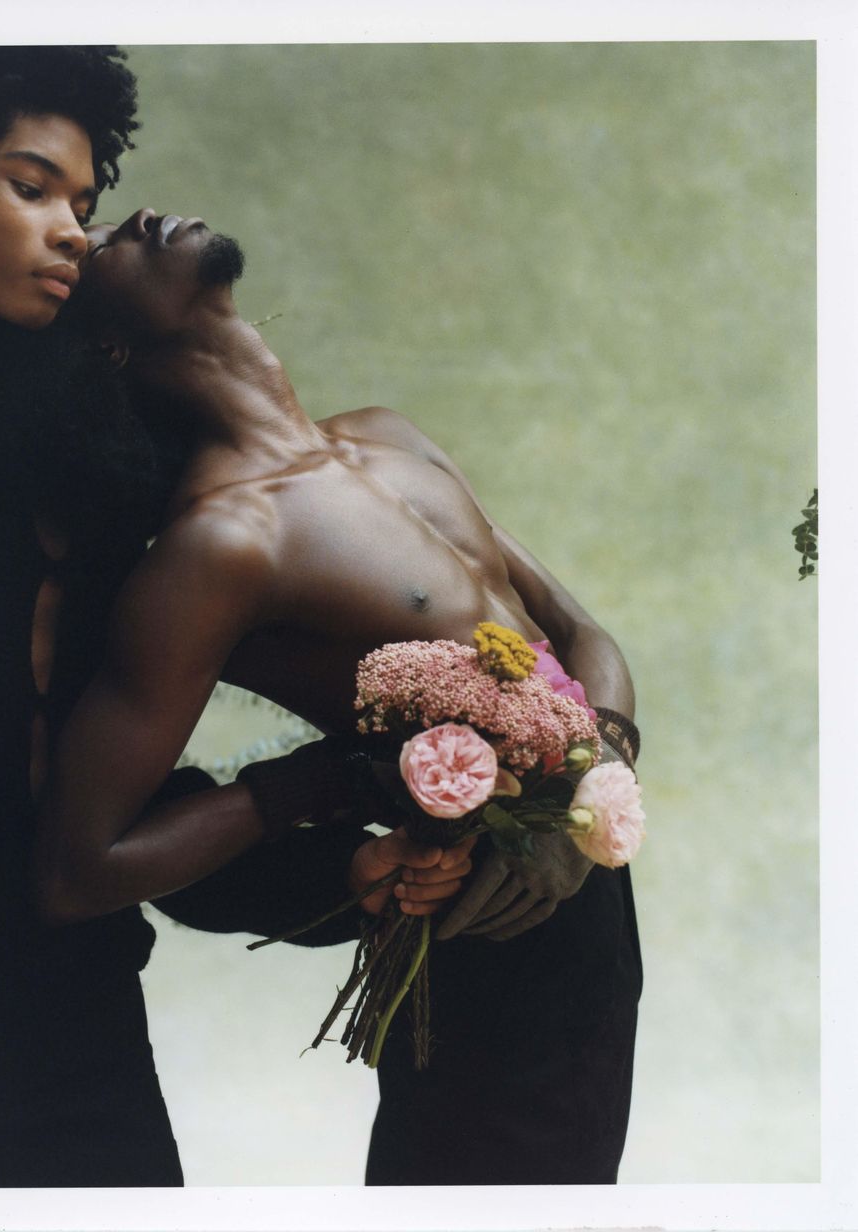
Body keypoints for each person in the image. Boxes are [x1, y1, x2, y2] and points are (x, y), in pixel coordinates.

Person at [0, 45, 468, 1189]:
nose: (72, 229)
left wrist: (334, 864)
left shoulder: (89, 462)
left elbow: (108, 789)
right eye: (30, 187)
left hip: (63, 1008)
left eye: (84, 202)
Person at [33, 206, 643, 1184]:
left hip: (588, 911)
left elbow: (579, 636)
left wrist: (591, 783)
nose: (136, 214)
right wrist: (330, 784)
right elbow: (79, 866)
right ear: (108, 343)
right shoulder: (226, 543)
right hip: (479, 932)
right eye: (107, 236)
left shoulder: (384, 437)